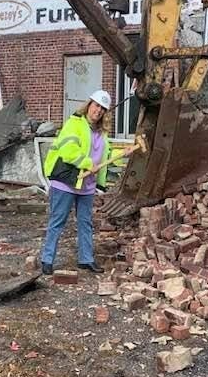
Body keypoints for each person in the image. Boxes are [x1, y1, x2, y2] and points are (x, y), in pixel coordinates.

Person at [39, 89, 137, 275]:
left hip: (86, 184)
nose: (98, 110)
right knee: (57, 221)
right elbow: (68, 151)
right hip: (67, 180)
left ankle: (86, 259)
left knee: (86, 222)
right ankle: (47, 259)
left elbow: (105, 156)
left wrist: (123, 154)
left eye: (102, 109)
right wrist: (87, 163)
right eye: (96, 105)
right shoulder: (74, 124)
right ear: (89, 104)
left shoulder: (102, 133)